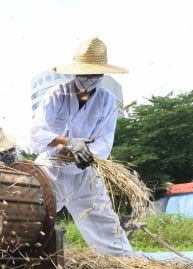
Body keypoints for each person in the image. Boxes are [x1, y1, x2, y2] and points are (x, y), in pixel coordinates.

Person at [29, 37, 133, 257]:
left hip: (84, 171)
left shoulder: (107, 100)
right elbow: (37, 133)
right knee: (30, 219)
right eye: (84, 73)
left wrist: (87, 154)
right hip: (52, 168)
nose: (88, 78)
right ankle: (21, 261)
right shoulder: (56, 95)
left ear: (101, 75)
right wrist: (67, 142)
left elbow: (105, 140)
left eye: (93, 74)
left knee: (106, 227)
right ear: (76, 72)